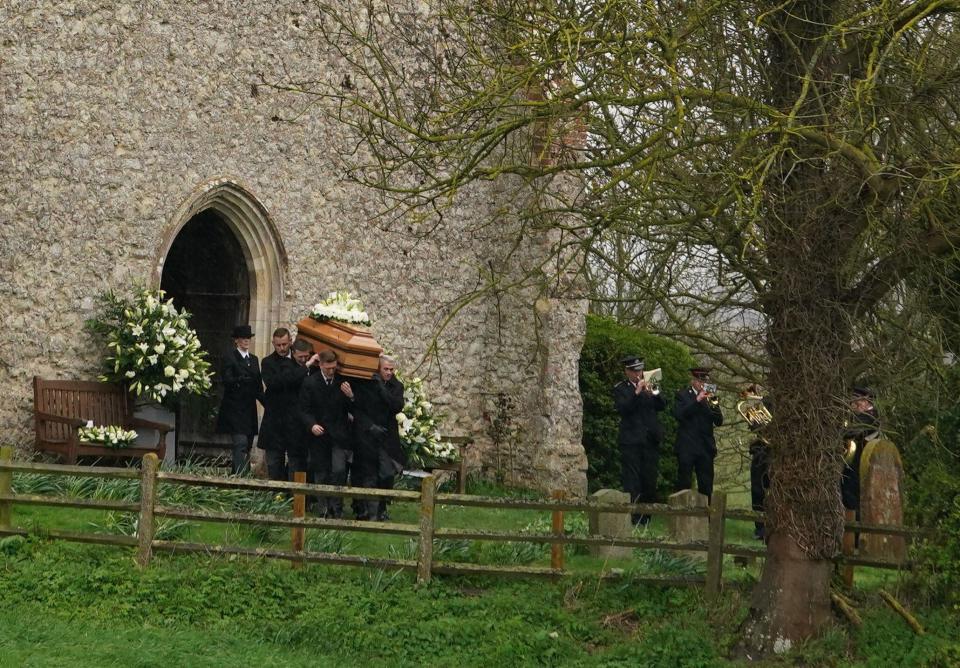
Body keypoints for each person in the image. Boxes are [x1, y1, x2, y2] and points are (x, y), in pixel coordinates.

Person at [298, 349, 353, 518]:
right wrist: (312, 425)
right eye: (328, 368)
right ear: (321, 365)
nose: (331, 371)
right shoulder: (310, 382)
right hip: (319, 435)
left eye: (334, 368)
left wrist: (351, 396)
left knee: (338, 471)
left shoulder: (342, 383)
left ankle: (336, 508)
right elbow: (303, 409)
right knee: (320, 472)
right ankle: (323, 508)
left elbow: (352, 409)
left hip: (338, 435)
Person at [259, 328, 318, 481]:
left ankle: (295, 500)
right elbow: (275, 383)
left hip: (295, 422)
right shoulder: (268, 362)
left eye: (284, 344)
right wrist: (305, 368)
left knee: (296, 464)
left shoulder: (298, 361)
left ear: (290, 342)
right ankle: (276, 499)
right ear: (273, 344)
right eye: (278, 345)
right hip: (275, 420)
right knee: (274, 464)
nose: (281, 348)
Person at [612, 355, 665, 526]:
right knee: (632, 480)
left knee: (649, 479)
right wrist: (636, 393)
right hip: (631, 441)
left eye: (640, 370)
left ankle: (646, 517)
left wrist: (653, 393)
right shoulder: (621, 388)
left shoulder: (650, 385)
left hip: (650, 441)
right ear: (627, 371)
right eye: (634, 371)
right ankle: (634, 517)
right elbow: (623, 409)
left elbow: (662, 405)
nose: (638, 374)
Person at [353, 355, 406, 521]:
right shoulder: (367, 384)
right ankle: (370, 512)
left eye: (391, 370)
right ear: (378, 368)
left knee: (386, 473)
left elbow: (396, 406)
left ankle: (381, 507)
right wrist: (370, 426)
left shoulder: (396, 386)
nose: (389, 373)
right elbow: (358, 409)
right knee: (368, 474)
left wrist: (382, 389)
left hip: (386, 437)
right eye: (386, 369)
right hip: (367, 435)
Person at [216, 324, 263, 475]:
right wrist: (240, 379)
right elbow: (226, 380)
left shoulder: (254, 360)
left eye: (248, 338)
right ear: (236, 340)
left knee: (248, 443)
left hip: (249, 408)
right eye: (243, 338)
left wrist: (268, 402)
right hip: (234, 407)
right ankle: (239, 478)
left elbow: (258, 386)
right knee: (240, 442)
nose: (246, 341)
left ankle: (243, 476)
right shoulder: (230, 357)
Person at [673, 366, 723, 501]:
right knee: (684, 482)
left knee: (706, 485)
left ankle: (706, 518)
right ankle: (682, 516)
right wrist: (697, 400)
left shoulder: (711, 398)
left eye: (704, 381)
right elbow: (680, 415)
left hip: (705, 447)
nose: (702, 384)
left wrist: (713, 405)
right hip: (687, 446)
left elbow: (719, 421)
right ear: (693, 381)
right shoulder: (682, 395)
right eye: (700, 381)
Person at [841, 386, 880, 521]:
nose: (854, 404)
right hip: (852, 467)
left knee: (854, 502)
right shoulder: (857, 417)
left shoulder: (870, 417)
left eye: (858, 401)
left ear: (867, 401)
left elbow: (852, 432)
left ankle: (856, 537)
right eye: (852, 401)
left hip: (860, 467)